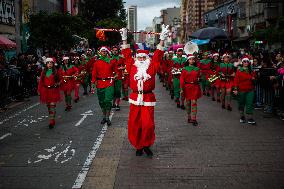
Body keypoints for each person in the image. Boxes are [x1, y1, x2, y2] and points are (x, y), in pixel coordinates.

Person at [120, 24, 169, 157]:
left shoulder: (152, 67)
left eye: (143, 58)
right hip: (135, 98)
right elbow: (126, 54)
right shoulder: (131, 65)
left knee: (148, 124)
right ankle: (138, 146)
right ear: (136, 58)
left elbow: (158, 55)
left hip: (148, 98)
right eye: (139, 57)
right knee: (135, 124)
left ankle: (147, 144)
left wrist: (162, 39)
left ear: (147, 59)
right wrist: (124, 39)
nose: (141, 59)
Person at [91, 47, 114, 126]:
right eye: (102, 51)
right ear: (100, 53)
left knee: (108, 100)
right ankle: (104, 116)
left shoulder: (111, 61)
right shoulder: (97, 62)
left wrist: (115, 76)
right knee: (101, 101)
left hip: (109, 83)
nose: (104, 52)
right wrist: (93, 84)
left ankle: (107, 118)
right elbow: (94, 74)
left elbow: (116, 71)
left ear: (107, 52)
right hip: (100, 83)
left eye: (105, 51)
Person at [38, 58, 61, 128]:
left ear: (53, 64)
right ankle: (52, 117)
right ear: (46, 64)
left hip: (53, 90)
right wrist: (39, 90)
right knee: (48, 106)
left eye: (51, 63)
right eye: (48, 63)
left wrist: (58, 83)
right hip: (45, 91)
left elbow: (60, 80)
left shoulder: (56, 72)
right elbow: (41, 82)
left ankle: (51, 121)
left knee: (52, 105)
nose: (50, 64)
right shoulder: (43, 72)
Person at [233, 56, 256, 124]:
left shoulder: (251, 70)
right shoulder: (239, 71)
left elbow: (254, 77)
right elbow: (236, 81)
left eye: (247, 62)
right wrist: (235, 89)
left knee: (250, 103)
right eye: (244, 62)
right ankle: (242, 116)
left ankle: (250, 118)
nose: (246, 63)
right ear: (242, 63)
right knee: (241, 103)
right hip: (241, 90)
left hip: (250, 90)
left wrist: (254, 78)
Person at [180, 54, 202, 126]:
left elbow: (199, 77)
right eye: (190, 59)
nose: (192, 60)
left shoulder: (197, 69)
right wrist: (181, 88)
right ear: (188, 60)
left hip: (195, 87)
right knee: (188, 103)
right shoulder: (184, 69)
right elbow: (182, 80)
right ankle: (189, 116)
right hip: (187, 87)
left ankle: (194, 118)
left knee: (194, 102)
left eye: (193, 59)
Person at [110, 46, 125, 111]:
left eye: (116, 50)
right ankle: (113, 104)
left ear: (118, 51)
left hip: (118, 77)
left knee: (118, 91)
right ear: (112, 51)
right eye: (114, 50)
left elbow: (126, 66)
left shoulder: (121, 58)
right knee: (112, 91)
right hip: (111, 77)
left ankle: (117, 104)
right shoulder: (109, 59)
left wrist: (122, 68)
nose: (115, 51)